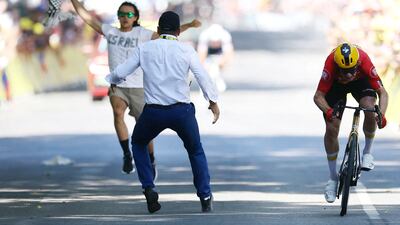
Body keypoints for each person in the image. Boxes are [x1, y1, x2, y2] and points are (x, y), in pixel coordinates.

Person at [70, 0, 201, 178]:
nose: (125, 17)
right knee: (117, 112)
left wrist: (190, 25)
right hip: (119, 85)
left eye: (129, 14)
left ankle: (151, 159)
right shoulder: (110, 31)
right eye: (122, 14)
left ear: (136, 17)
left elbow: (167, 34)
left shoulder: (143, 34)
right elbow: (86, 17)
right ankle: (126, 154)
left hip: (139, 87)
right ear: (118, 16)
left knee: (145, 128)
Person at [106, 11, 219, 213]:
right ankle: (205, 195)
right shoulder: (186, 50)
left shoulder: (145, 48)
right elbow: (202, 76)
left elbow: (122, 72)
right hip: (182, 112)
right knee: (195, 150)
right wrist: (213, 102)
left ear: (158, 30)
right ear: (178, 31)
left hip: (153, 113)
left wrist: (112, 80)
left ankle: (148, 187)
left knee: (138, 143)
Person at [314, 42, 389, 203]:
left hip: (360, 83)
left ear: (358, 64)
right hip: (336, 86)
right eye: (344, 71)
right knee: (332, 127)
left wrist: (381, 115)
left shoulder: (364, 61)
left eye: (351, 70)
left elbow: (382, 92)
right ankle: (333, 178)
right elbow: (318, 96)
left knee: (369, 108)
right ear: (337, 66)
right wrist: (328, 111)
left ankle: (367, 153)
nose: (348, 75)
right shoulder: (330, 64)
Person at [197, 24, 234, 92]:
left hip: (220, 51)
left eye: (217, 42)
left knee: (217, 68)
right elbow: (201, 55)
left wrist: (220, 65)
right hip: (208, 51)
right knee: (206, 68)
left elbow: (228, 54)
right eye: (213, 42)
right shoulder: (204, 36)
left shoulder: (225, 36)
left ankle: (218, 79)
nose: (215, 43)